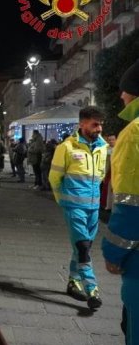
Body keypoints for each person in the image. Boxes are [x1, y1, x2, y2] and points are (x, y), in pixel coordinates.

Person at [49, 106, 107, 309]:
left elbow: (100, 175)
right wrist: (63, 200)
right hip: (73, 206)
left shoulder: (102, 147)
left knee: (83, 246)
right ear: (82, 124)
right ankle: (92, 289)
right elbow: (54, 178)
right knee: (83, 247)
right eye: (95, 124)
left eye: (100, 124)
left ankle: (73, 282)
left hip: (93, 207)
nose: (99, 128)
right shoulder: (66, 147)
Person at [103, 59, 139, 345]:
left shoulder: (134, 133)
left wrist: (113, 252)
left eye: (125, 89)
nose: (121, 96)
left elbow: (130, 204)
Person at [99, 134, 116, 223]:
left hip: (115, 173)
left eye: (112, 139)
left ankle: (111, 206)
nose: (111, 141)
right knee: (107, 189)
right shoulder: (106, 150)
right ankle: (107, 205)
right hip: (108, 173)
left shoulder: (117, 150)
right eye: (109, 140)